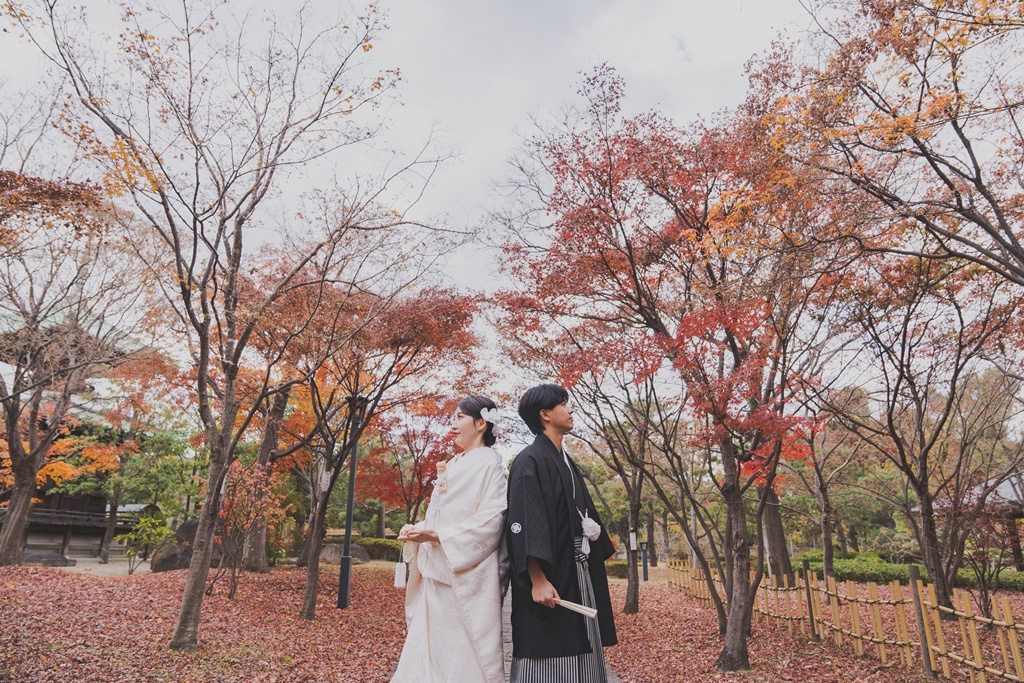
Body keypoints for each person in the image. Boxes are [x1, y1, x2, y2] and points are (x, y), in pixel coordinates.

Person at [391, 395, 508, 683]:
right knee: (430, 650)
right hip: (437, 569)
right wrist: (419, 530)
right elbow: (441, 515)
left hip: (465, 573)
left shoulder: (490, 463)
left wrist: (439, 535)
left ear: (481, 423)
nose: (452, 424)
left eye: (459, 417)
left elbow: (492, 519)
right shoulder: (455, 462)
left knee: (463, 651)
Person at [506, 383, 617, 682]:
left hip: (577, 569)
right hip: (550, 574)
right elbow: (525, 522)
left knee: (581, 639)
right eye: (564, 404)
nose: (570, 409)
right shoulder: (529, 460)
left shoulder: (566, 462)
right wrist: (537, 578)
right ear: (545, 414)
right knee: (550, 644)